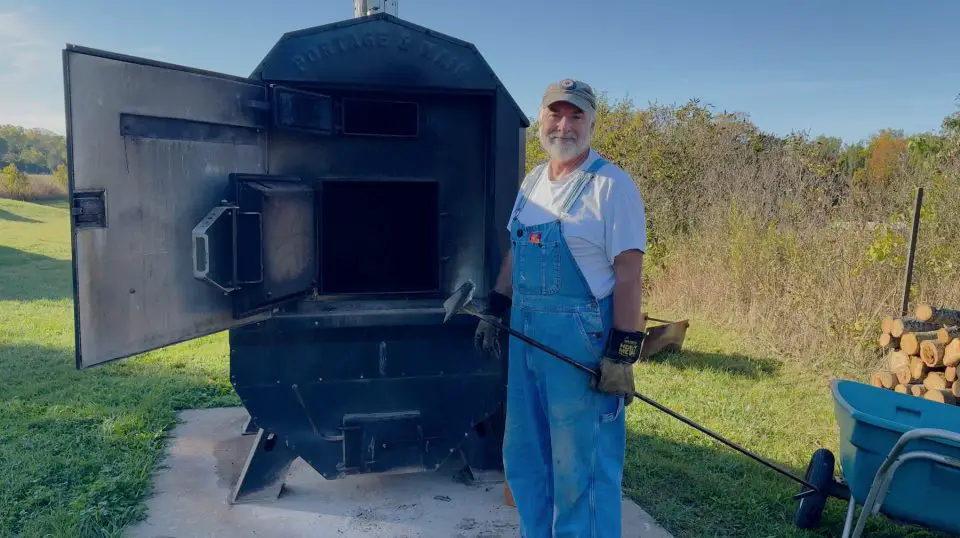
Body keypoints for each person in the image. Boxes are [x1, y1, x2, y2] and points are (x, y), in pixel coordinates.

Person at [475, 78, 648, 537]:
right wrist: (496, 303)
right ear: (542, 118)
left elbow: (629, 275)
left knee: (581, 470)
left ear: (592, 121)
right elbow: (516, 250)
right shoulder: (532, 181)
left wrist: (623, 355)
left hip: (582, 353)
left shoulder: (612, 186)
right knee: (527, 460)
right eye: (556, 113)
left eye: (576, 115)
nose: (565, 125)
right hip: (527, 343)